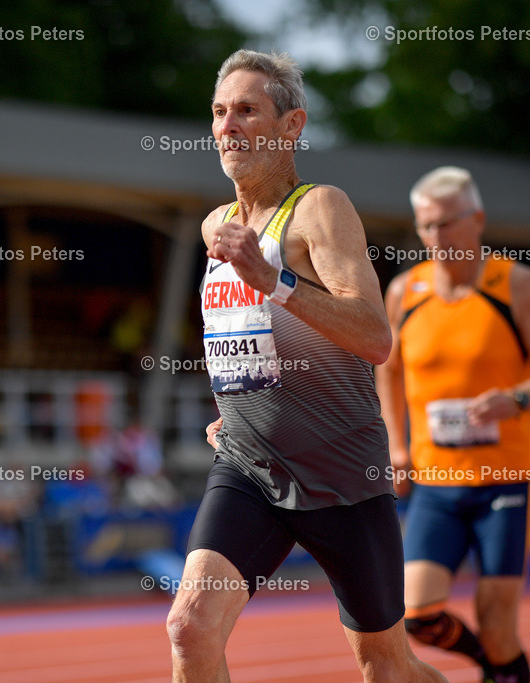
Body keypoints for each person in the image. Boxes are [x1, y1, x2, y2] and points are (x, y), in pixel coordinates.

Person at [165, 49, 446, 682]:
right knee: (189, 627)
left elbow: (376, 338)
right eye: (218, 113)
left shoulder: (321, 208)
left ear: (292, 127)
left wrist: (276, 278)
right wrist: (231, 405)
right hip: (250, 464)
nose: (228, 126)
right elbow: (237, 332)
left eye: (246, 111)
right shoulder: (217, 224)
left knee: (386, 663)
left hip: (342, 469)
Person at [376, 167, 530, 683]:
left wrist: (517, 398)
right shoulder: (405, 291)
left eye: (446, 223)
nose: (435, 237)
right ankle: (494, 667)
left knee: (497, 622)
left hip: (503, 481)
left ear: (478, 220)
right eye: (425, 227)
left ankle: (501, 662)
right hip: (435, 481)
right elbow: (386, 368)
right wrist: (396, 445)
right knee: (415, 614)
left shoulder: (515, 283)